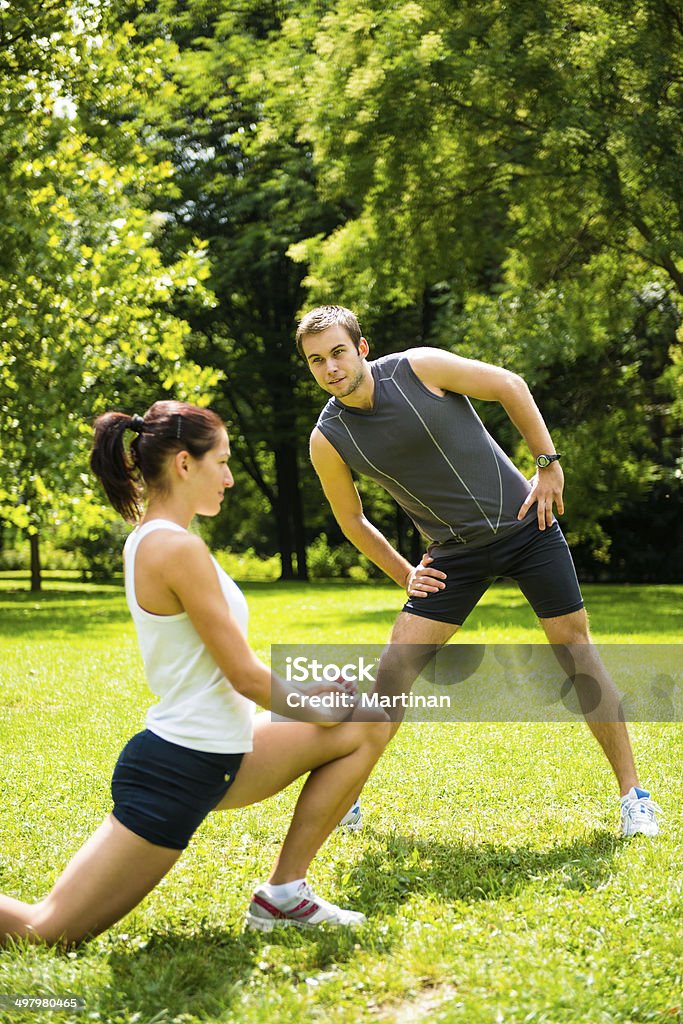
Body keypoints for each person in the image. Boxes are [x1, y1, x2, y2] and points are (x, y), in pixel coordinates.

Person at [0, 400, 391, 945]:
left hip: (222, 752)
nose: (230, 478)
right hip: (178, 770)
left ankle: (283, 895)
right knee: (45, 932)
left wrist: (313, 698)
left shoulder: (156, 538)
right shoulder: (174, 548)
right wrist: (315, 702)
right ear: (185, 464)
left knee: (372, 717)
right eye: (223, 462)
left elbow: (215, 675)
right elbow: (245, 677)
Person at [297, 305, 661, 839]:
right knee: (393, 674)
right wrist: (404, 574)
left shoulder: (419, 367)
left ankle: (634, 797)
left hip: (526, 525)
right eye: (316, 360)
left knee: (575, 650)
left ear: (362, 348)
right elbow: (351, 519)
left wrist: (547, 463)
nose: (330, 367)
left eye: (337, 352)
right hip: (453, 555)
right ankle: (344, 800)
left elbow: (510, 385)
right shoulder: (327, 437)